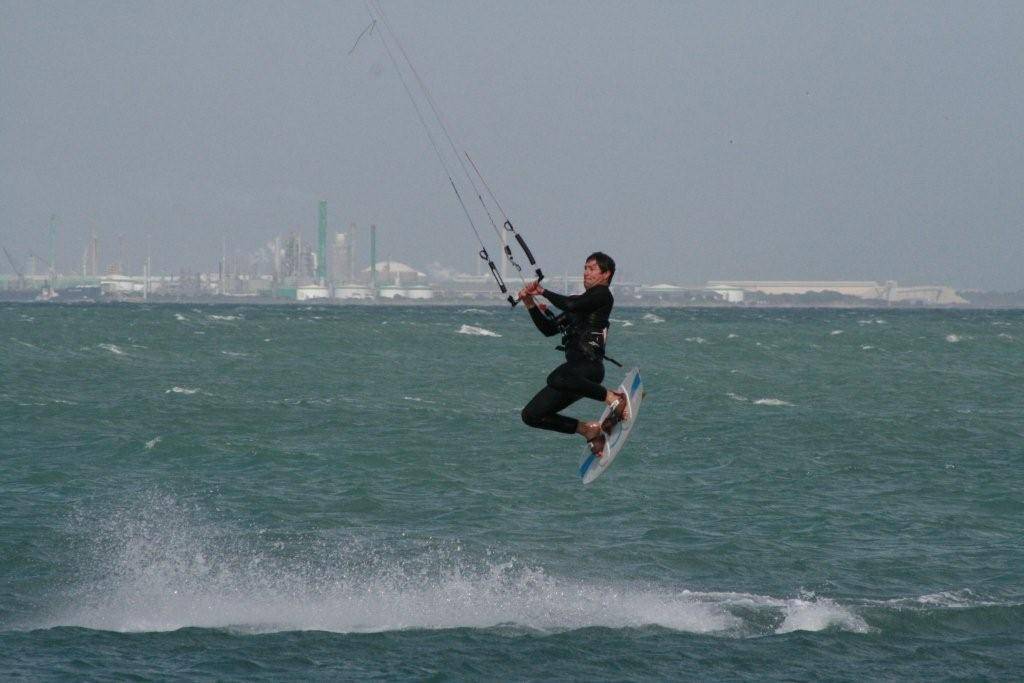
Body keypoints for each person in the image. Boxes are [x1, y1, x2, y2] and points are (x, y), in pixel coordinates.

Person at [518, 252, 629, 456]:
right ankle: (587, 430)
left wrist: (542, 291)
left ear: (606, 274)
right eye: (585, 268)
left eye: (592, 269)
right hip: (573, 377)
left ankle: (612, 397)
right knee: (531, 415)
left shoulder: (602, 295)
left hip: (589, 367)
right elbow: (548, 329)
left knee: (557, 377)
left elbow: (571, 304)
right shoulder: (578, 304)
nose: (586, 273)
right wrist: (529, 303)